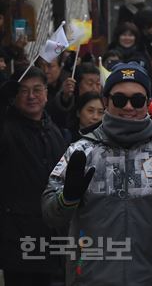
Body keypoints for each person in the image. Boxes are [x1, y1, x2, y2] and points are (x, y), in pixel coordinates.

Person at [41, 62, 152, 285]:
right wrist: (66, 199)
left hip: (150, 277)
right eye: (119, 99)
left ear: (147, 103)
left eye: (137, 100)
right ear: (106, 101)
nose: (128, 106)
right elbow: (50, 213)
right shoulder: (81, 152)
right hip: (90, 278)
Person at [0, 68, 68, 286]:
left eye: (37, 90)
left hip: (52, 235)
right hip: (18, 236)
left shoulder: (53, 130)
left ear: (46, 94)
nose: (31, 96)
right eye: (24, 91)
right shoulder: (7, 129)